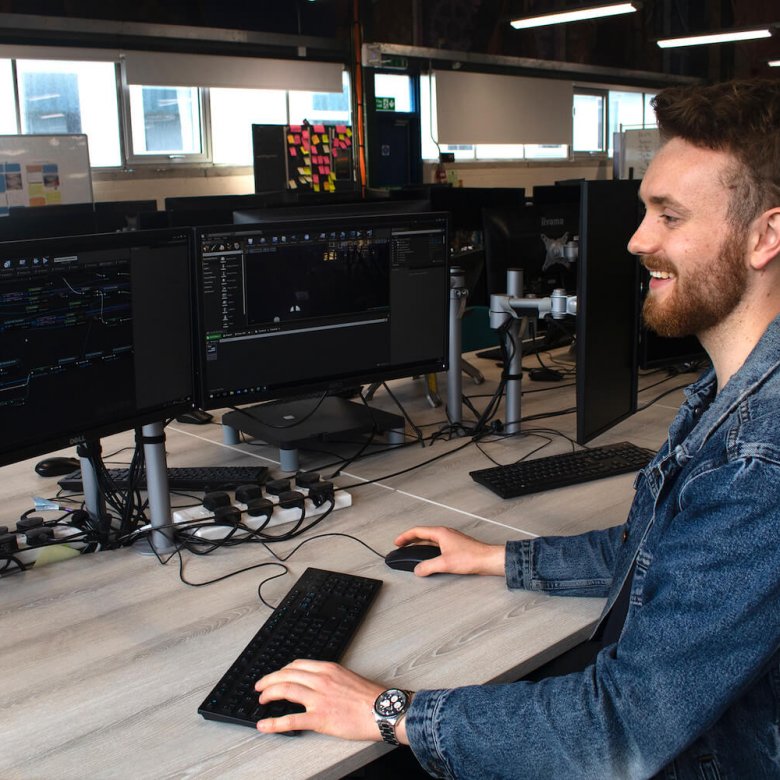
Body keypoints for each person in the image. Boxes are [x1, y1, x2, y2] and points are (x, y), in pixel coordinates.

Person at [255, 78, 780, 778]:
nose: (635, 240)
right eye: (643, 210)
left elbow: (619, 728)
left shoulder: (760, 459)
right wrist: (496, 559)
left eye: (670, 216)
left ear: (766, 235)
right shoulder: (735, 393)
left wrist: (389, 712)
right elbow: (661, 557)